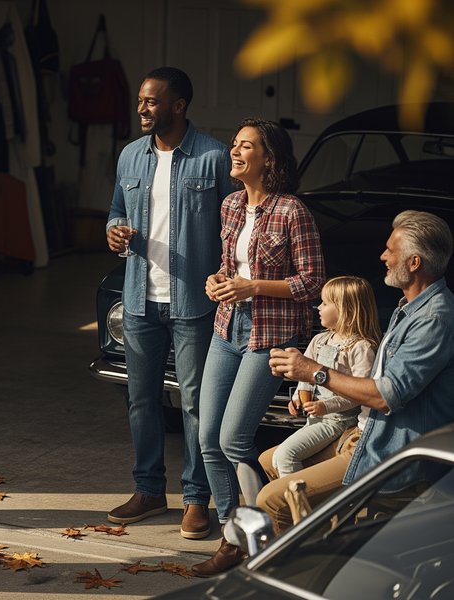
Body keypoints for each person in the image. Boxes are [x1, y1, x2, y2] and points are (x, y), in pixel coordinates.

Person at [261, 210, 454, 535]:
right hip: (363, 434)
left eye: (390, 250)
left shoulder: (433, 320)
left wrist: (315, 372)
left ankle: (302, 561)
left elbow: (385, 396)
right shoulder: (409, 310)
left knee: (272, 500)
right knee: (269, 460)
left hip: (391, 453)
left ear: (414, 262)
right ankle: (329, 542)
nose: (383, 257)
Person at [193, 117, 325, 577]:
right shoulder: (231, 204)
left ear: (269, 158)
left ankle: (254, 537)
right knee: (208, 437)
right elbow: (229, 266)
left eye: (245, 146)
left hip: (270, 334)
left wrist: (253, 288)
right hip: (227, 327)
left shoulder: (292, 212)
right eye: (234, 144)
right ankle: (238, 532)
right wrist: (217, 281)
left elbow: (312, 282)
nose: (234, 151)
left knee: (233, 438)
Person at [106, 67, 233, 540]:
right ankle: (149, 490)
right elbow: (116, 210)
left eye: (152, 101)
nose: (142, 108)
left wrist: (229, 279)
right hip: (139, 300)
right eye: (141, 100)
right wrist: (113, 231)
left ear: (178, 106)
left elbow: (235, 228)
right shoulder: (130, 156)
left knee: (195, 404)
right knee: (142, 400)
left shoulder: (214, 158)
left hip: (194, 304)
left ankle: (197, 499)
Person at [270, 276, 380, 476]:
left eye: (325, 303)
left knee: (286, 456)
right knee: (277, 458)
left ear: (346, 310)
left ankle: (296, 496)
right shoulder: (319, 340)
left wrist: (326, 406)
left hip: (339, 420)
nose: (318, 307)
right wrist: (296, 398)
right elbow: (305, 377)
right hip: (316, 418)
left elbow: (360, 393)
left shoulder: (360, 347)